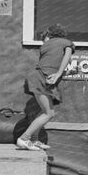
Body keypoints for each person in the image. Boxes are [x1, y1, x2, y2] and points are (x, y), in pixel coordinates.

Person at [17, 23, 75, 151]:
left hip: (37, 78)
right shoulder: (66, 43)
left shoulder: (45, 46)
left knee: (43, 111)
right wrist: (60, 73)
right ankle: (24, 138)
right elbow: (67, 56)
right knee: (49, 113)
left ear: (49, 35)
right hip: (42, 79)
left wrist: (64, 72)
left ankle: (34, 140)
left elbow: (49, 66)